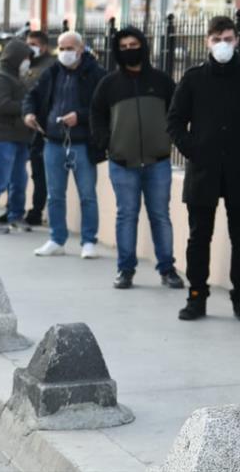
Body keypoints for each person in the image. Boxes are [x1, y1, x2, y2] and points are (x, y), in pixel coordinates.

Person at [168, 15, 240, 322]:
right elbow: (174, 121)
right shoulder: (193, 78)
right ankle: (196, 296)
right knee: (199, 237)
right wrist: (194, 149)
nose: (222, 45)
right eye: (216, 39)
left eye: (227, 38)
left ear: (237, 40)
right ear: (207, 42)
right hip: (203, 172)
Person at [90, 26, 184, 290]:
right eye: (124, 47)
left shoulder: (162, 81)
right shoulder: (108, 84)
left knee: (160, 216)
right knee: (126, 215)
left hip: (159, 161)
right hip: (122, 163)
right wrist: (107, 142)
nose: (130, 50)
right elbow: (95, 114)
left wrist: (170, 138)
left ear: (143, 46)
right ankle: (125, 270)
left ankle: (167, 269)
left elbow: (177, 112)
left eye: (134, 45)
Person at [25, 31, 107, 258]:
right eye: (61, 48)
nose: (65, 53)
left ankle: (89, 241)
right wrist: (29, 113)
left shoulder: (96, 74)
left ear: (81, 49)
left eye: (70, 48)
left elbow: (103, 108)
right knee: (55, 194)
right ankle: (56, 239)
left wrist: (79, 116)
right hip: (53, 141)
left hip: (82, 143)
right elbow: (32, 96)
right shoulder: (51, 72)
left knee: (87, 194)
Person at [0, 39, 33, 232]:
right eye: (25, 57)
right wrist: (27, 109)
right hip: (0, 137)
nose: (27, 61)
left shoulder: (16, 76)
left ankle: (16, 215)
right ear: (16, 57)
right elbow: (2, 105)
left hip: (18, 137)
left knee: (19, 180)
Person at [23, 29, 56, 227]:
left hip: (42, 125)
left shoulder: (49, 66)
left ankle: (37, 209)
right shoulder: (26, 64)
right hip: (27, 121)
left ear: (43, 46)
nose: (30, 48)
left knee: (40, 171)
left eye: (33, 44)